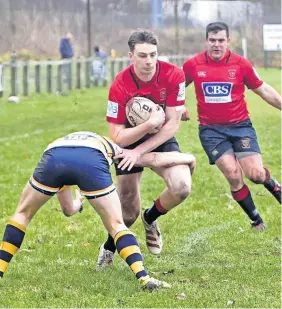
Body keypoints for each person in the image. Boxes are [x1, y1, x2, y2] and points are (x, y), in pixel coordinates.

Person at [0, 131, 196, 290]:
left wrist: (78, 202)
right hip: (91, 158)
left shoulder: (61, 142)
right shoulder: (111, 145)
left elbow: (68, 210)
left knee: (22, 214)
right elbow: (153, 159)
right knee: (116, 224)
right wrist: (189, 157)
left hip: (54, 156)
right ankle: (144, 278)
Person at [97, 30, 194, 268]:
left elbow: (172, 125)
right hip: (128, 141)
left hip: (161, 137)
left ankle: (151, 217)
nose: (149, 61)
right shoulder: (119, 84)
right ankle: (109, 247)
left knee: (182, 187)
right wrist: (148, 125)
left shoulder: (174, 74)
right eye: (142, 55)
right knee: (128, 211)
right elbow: (116, 135)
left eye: (153, 55)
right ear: (131, 56)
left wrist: (141, 151)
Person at [182, 22, 281, 231]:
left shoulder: (241, 64)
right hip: (211, 131)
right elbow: (176, 86)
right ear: (206, 41)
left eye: (220, 40)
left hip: (240, 127)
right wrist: (181, 105)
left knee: (255, 175)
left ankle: (273, 185)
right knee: (233, 174)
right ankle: (256, 219)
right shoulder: (193, 65)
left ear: (228, 41)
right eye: (212, 40)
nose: (216, 45)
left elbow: (262, 89)